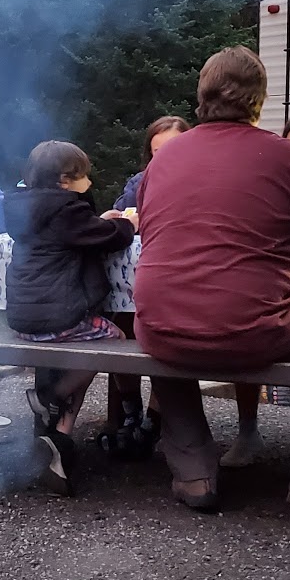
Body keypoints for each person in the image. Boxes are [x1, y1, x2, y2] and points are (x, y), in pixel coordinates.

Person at [133, 46, 290, 520]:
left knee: (168, 329)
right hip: (258, 322)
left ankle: (194, 471)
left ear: (200, 98)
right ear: (258, 102)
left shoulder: (163, 159)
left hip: (160, 319)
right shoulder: (285, 156)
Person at [4, 140, 136, 495]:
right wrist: (128, 224)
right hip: (56, 316)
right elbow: (111, 239)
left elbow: (81, 229)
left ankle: (59, 438)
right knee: (114, 340)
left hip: (23, 317)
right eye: (84, 177)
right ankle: (52, 395)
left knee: (85, 345)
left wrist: (96, 219)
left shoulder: (25, 206)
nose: (89, 184)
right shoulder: (66, 211)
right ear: (65, 180)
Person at [100, 115, 189, 460]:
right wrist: (116, 218)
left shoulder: (200, 182)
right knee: (119, 322)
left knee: (167, 331)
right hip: (135, 282)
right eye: (156, 152)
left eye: (171, 149)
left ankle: (154, 419)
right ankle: (131, 411)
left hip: (177, 283)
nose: (162, 159)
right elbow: (124, 215)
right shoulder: (140, 182)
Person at [114, 116, 190, 211]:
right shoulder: (139, 183)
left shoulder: (201, 180)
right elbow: (122, 214)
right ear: (150, 153)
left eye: (173, 150)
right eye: (158, 152)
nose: (165, 157)